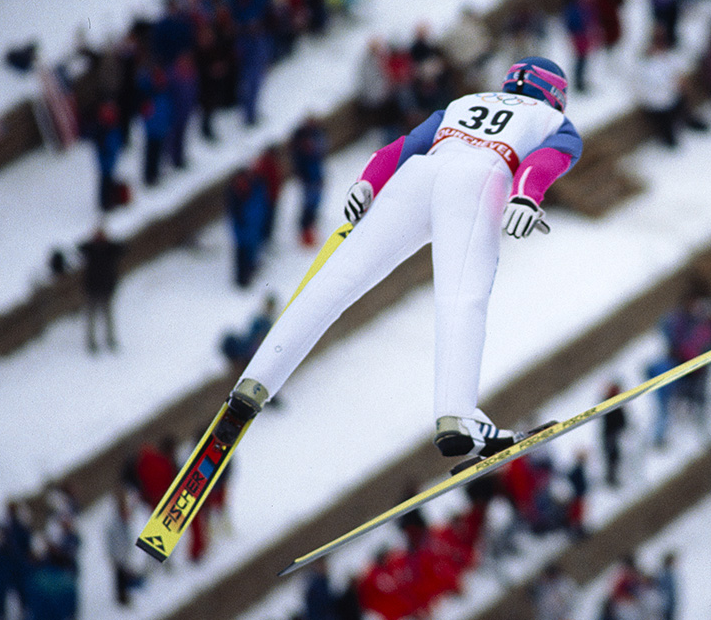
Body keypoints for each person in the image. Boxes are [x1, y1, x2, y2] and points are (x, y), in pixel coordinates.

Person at [222, 57, 582, 459]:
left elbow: (405, 145)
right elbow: (545, 160)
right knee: (461, 300)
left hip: (416, 178)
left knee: (335, 280)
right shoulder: (552, 120)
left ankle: (256, 379)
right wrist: (525, 196)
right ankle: (456, 415)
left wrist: (368, 183)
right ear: (553, 94)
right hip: (477, 183)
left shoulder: (463, 103)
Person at [79, 227, 126, 354]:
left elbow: (123, 249)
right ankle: (91, 342)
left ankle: (110, 340)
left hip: (105, 289)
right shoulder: (91, 250)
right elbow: (80, 248)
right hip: (93, 289)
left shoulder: (109, 250)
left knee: (107, 317)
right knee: (92, 317)